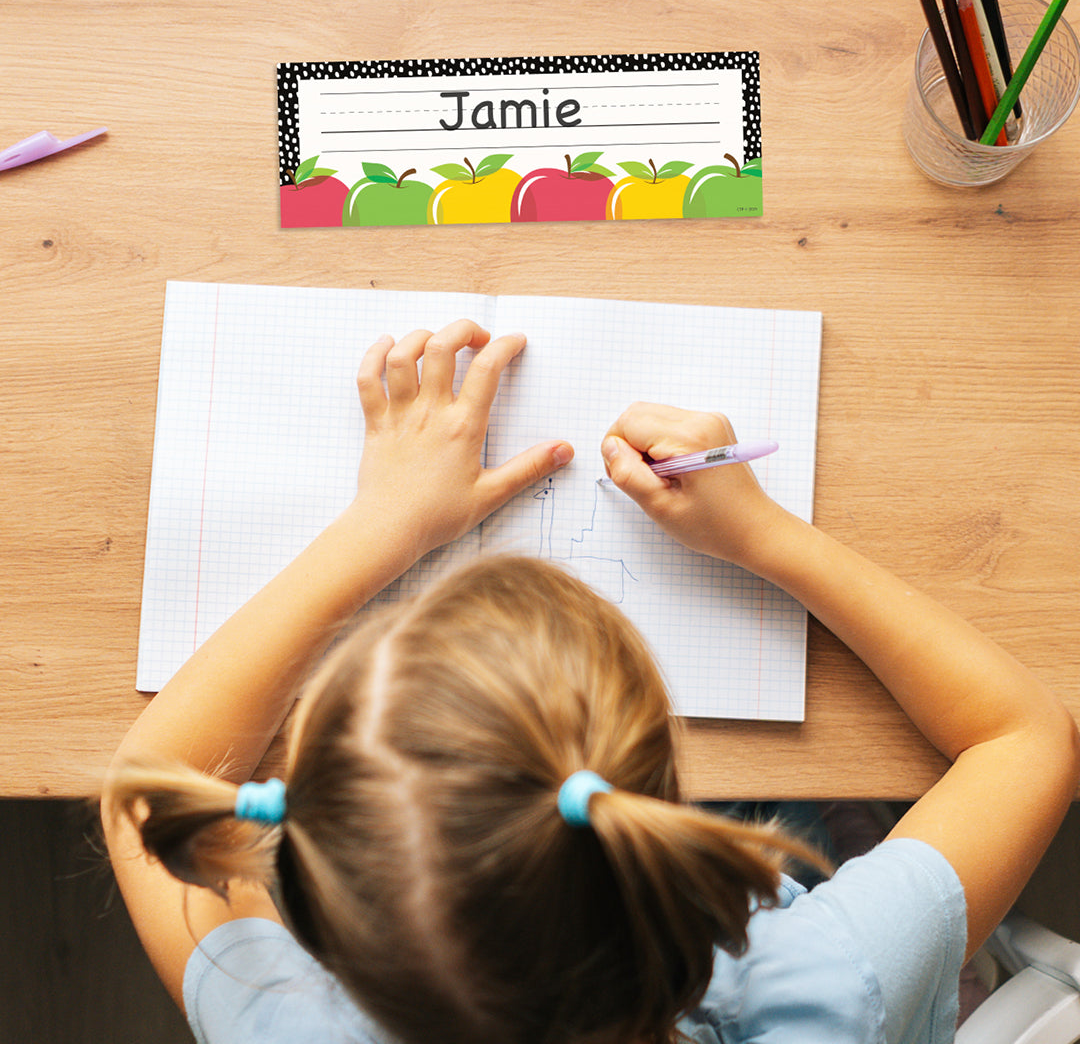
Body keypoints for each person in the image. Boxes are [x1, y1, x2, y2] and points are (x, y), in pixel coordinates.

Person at [102, 320, 1080, 1044]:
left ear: (320, 902)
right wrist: (768, 536)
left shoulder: (288, 1028)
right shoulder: (820, 983)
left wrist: (378, 527)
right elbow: (1026, 738)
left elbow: (151, 775)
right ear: (650, 778)